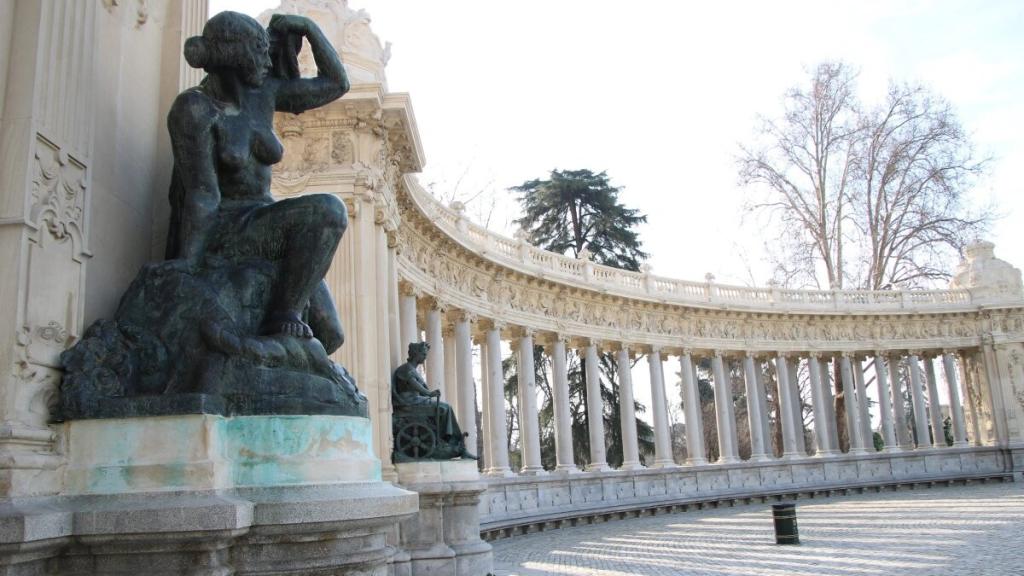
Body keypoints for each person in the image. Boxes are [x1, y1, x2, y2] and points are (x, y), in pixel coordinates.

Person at [165, 11, 349, 350]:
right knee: (329, 211)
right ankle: (283, 316)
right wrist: (188, 265)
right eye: (260, 50)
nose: (268, 60)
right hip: (228, 227)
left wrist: (310, 30)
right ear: (236, 54)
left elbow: (337, 84)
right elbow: (202, 194)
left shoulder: (262, 94)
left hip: (264, 222)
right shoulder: (194, 109)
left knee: (331, 335)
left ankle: (283, 324)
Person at [392, 342, 475, 459]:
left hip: (417, 400)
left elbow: (419, 387)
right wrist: (429, 394)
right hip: (410, 401)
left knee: (445, 407)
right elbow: (415, 385)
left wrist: (428, 394)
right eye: (423, 354)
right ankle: (452, 440)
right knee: (444, 408)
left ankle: (455, 443)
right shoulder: (405, 369)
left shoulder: (413, 370)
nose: (425, 356)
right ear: (416, 354)